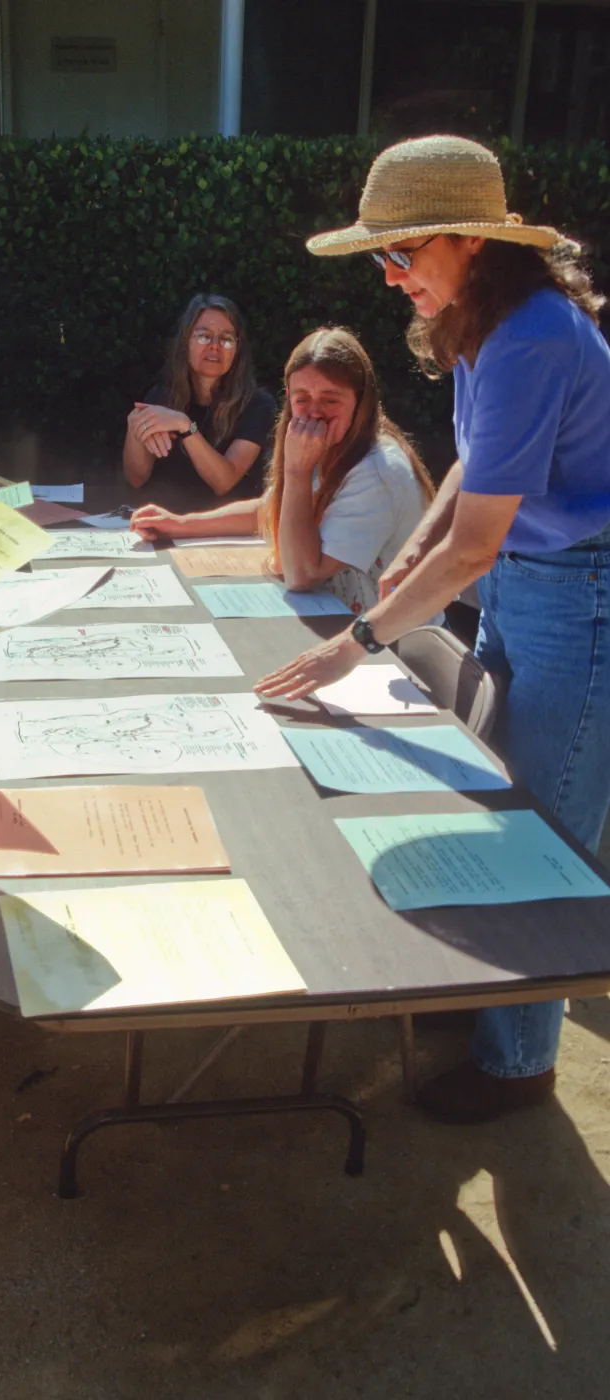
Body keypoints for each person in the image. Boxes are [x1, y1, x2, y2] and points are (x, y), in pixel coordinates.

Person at [254, 135, 610, 1123]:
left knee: (543, 826)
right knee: (491, 796)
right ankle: (491, 1001)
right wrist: (413, 546)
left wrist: (353, 640)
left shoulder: (530, 335)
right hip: (538, 573)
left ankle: (518, 1063)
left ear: (468, 241)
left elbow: (476, 546)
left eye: (401, 252)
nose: (389, 274)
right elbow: (474, 462)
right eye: (381, 257)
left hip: (577, 586)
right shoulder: (484, 321)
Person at [132, 326, 434, 613]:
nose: (315, 411)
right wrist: (181, 525)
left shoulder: (378, 471)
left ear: (361, 400)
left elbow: (302, 574)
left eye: (330, 399)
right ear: (289, 397)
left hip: (394, 646)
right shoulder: (333, 443)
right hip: (338, 620)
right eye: (302, 399)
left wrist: (297, 472)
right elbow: (269, 510)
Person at [123, 293, 276, 509]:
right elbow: (136, 478)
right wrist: (134, 428)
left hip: (227, 531)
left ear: (237, 350)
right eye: (204, 336)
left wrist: (185, 426)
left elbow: (224, 482)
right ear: (185, 343)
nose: (215, 346)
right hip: (166, 521)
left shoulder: (258, 405)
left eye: (226, 339)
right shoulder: (162, 398)